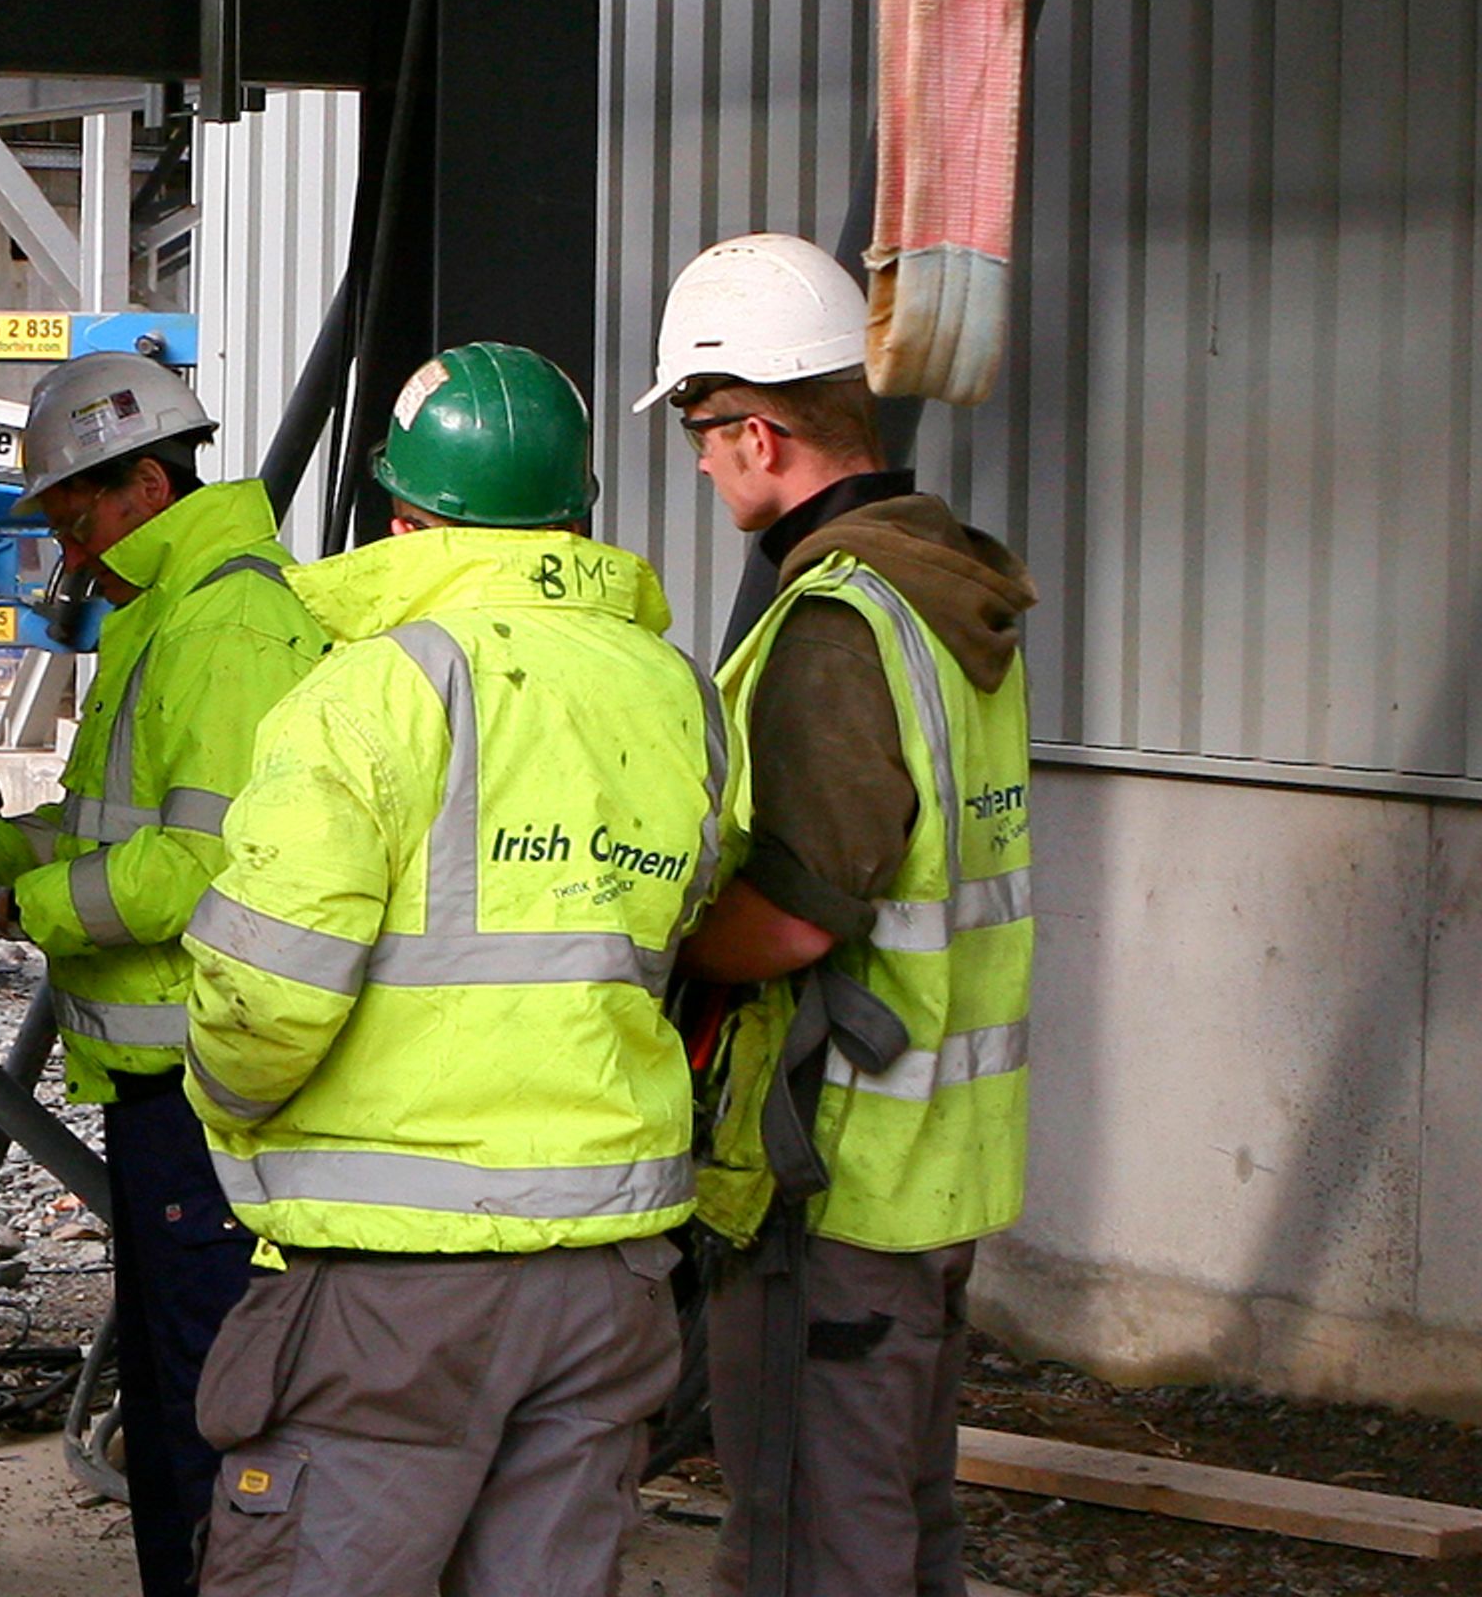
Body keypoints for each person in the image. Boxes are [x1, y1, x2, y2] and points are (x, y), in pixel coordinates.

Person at [180, 342, 728, 1597]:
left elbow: (265, 993)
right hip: (607, 1271)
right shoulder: (676, 690)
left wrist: (231, 1109)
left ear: (401, 516)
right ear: (581, 515)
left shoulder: (369, 691)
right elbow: (678, 922)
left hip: (397, 1284)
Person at [639, 233, 1037, 1597]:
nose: (697, 462)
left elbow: (798, 920)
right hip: (940, 1162)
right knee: (904, 1528)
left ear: (759, 433)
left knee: (812, 1546)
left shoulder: (838, 625)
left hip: (836, 1169)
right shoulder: (951, 598)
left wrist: (638, 947)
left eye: (701, 430)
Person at [0, 350, 327, 1597]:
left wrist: (10, 903)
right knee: (176, 1395)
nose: (65, 552)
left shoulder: (227, 626)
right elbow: (114, 827)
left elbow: (196, 864)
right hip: (165, 1087)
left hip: (203, 1087)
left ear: (146, 489)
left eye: (69, 515)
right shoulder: (174, 615)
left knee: (213, 1406)